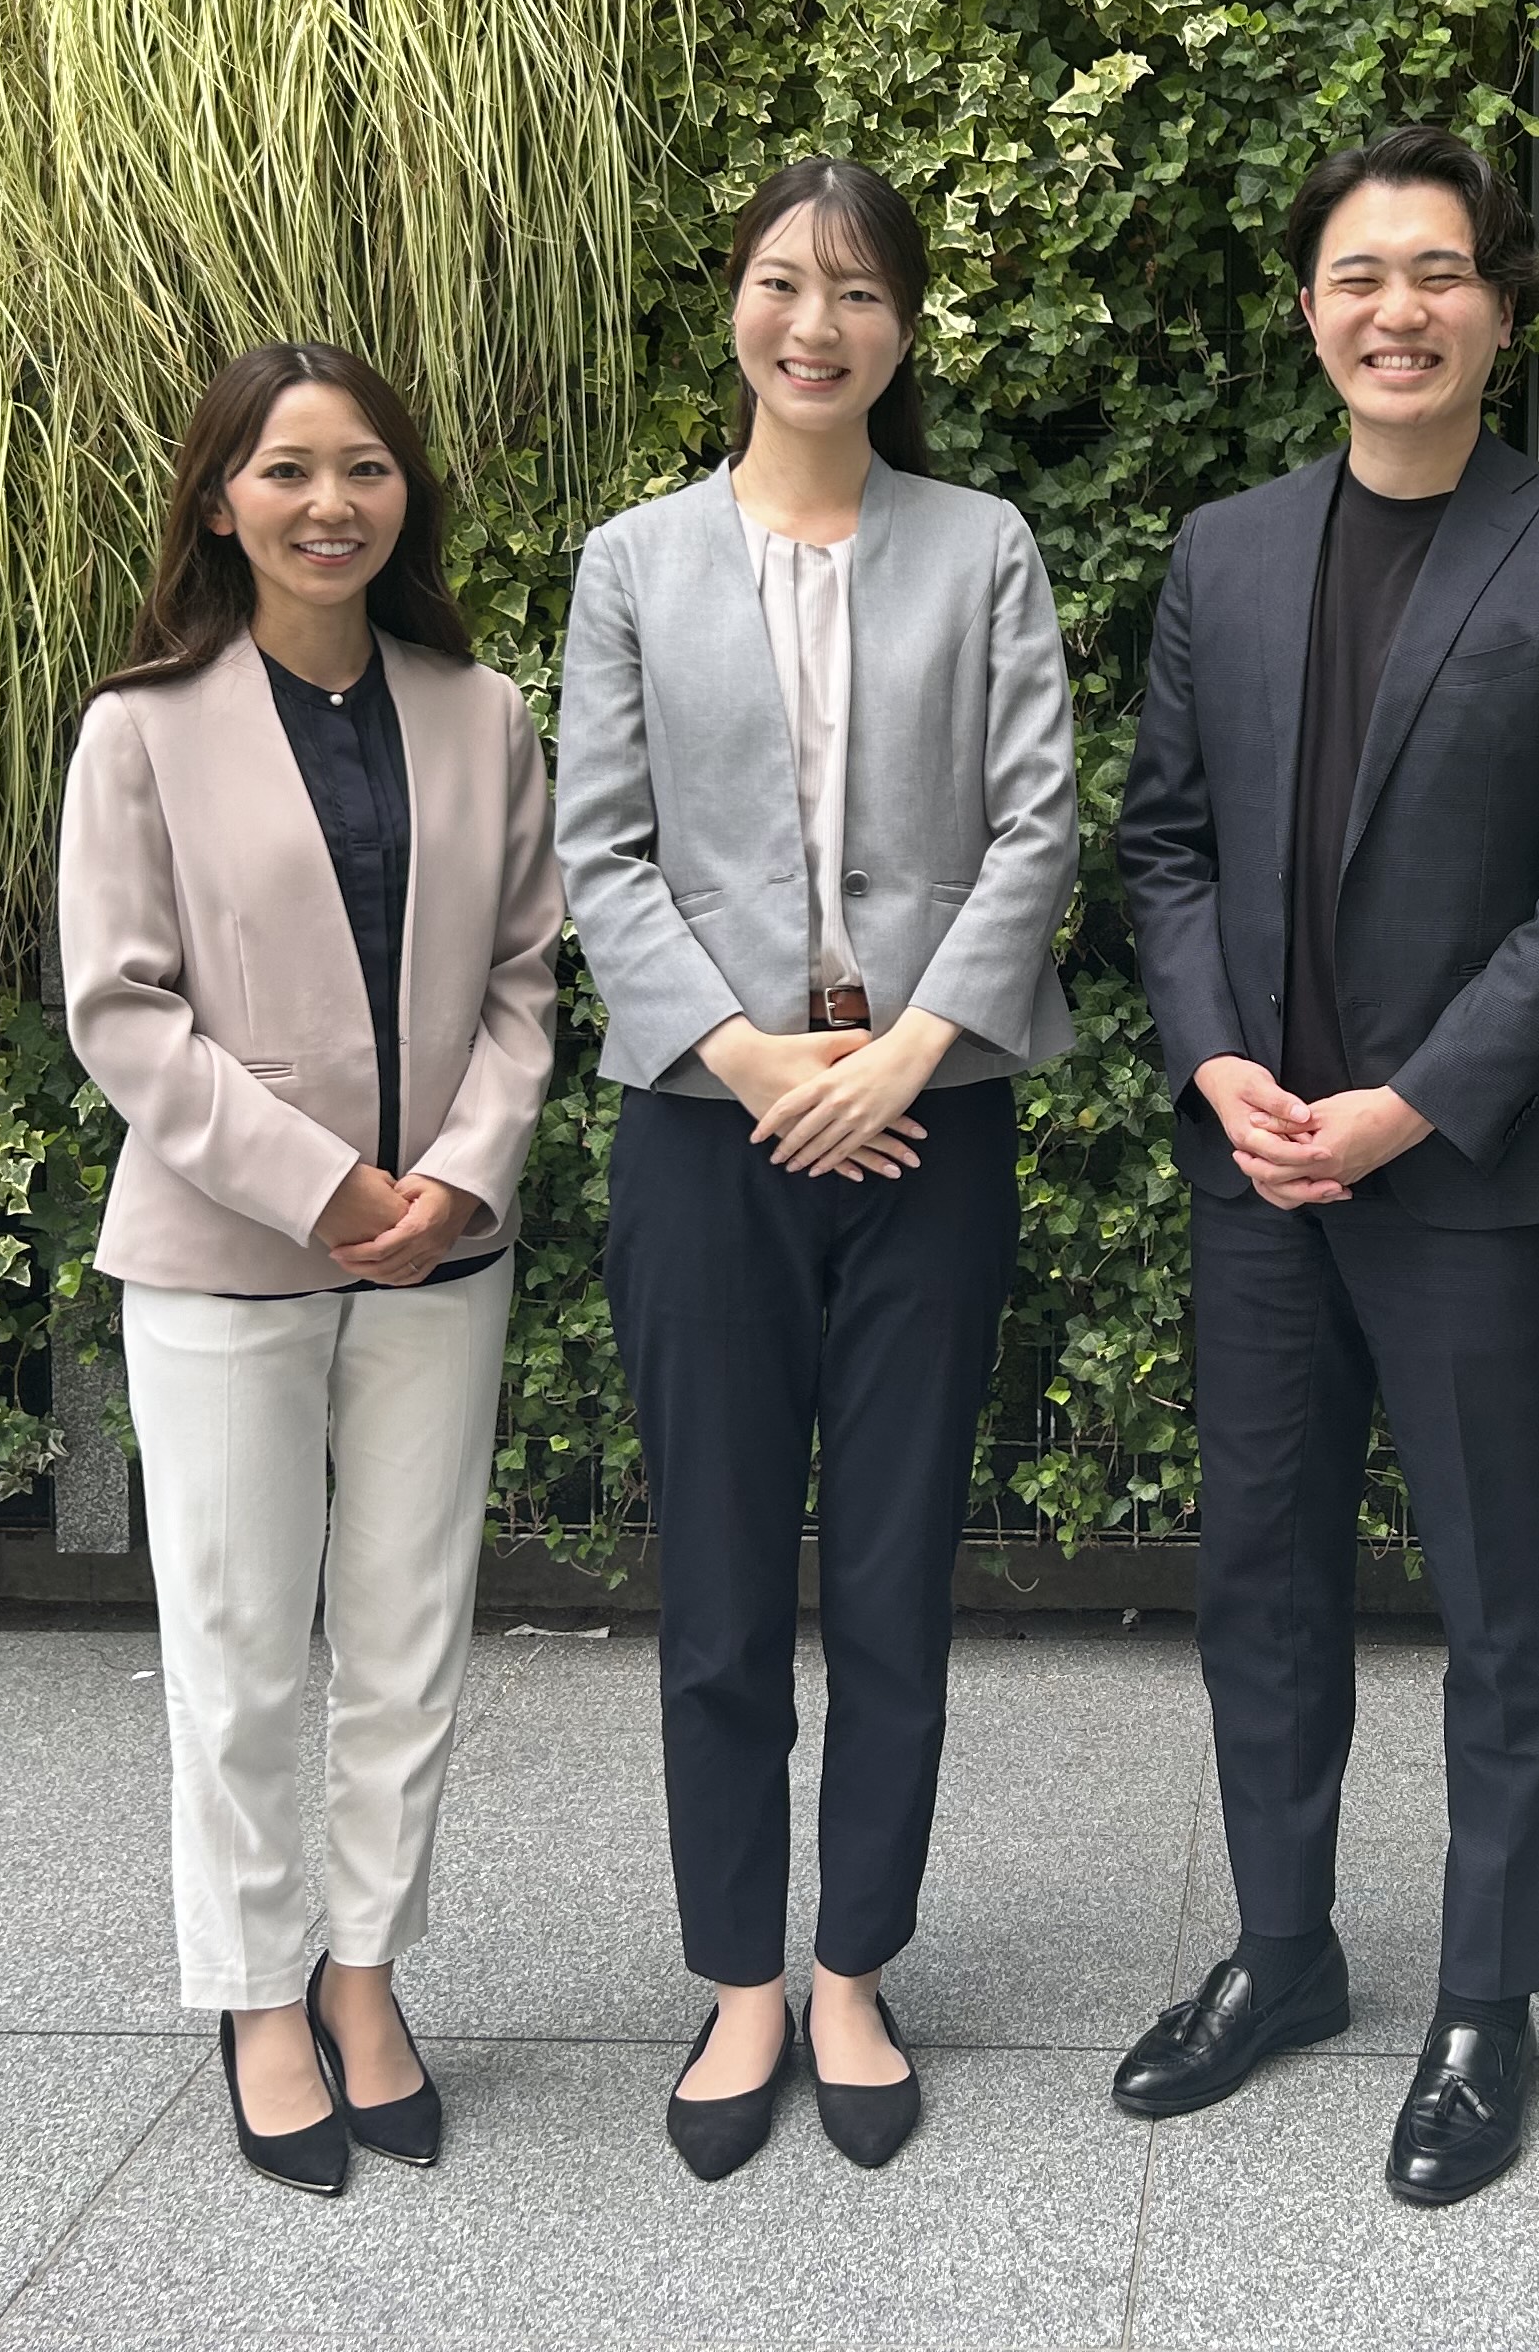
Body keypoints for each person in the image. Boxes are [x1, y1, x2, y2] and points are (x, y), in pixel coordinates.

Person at [1111, 124, 1539, 2206]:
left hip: (1468, 1177)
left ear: (1500, 312)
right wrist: (1221, 1068)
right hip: (1260, 1167)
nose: (1398, 310)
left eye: (1438, 273)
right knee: (1258, 1581)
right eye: (1359, 275)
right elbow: (1165, 843)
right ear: (1310, 311)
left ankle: (1487, 1998)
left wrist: (1413, 1101)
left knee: (1500, 1595)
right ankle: (1284, 1951)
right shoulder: (1227, 553)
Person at [552, 156, 1081, 2180]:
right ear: (737, 307)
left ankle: (852, 1963)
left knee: (891, 1570)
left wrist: (910, 1055)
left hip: (930, 1127)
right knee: (713, 1580)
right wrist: (759, 1059)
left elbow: (1035, 828)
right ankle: (738, 1982)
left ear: (904, 327)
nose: (817, 322)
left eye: (858, 290)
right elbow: (602, 850)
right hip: (713, 1137)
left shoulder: (981, 547)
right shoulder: (634, 562)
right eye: (784, 281)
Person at [60, 342, 564, 2197]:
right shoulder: (142, 728)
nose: (329, 503)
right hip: (223, 1255)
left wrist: (457, 1176)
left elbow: (524, 979)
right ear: (220, 503)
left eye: (364, 467)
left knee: (409, 1642)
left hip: (439, 1249)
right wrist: (318, 1183)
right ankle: (257, 1994)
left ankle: (364, 1973)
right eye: (286, 470)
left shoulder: (481, 713)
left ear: (404, 493)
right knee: (242, 1652)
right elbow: (121, 1008)